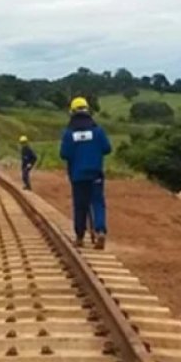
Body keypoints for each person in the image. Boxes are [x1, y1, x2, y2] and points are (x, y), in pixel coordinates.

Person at [59, 97, 112, 249]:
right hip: (95, 174)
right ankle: (100, 230)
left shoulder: (69, 134)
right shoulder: (97, 131)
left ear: (72, 112)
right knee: (97, 203)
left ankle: (80, 237)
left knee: (80, 205)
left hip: (77, 176)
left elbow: (64, 154)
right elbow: (107, 149)